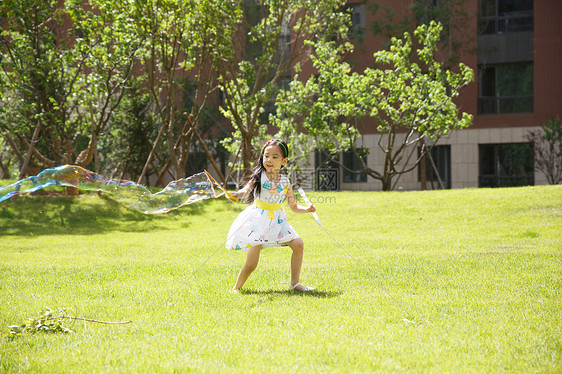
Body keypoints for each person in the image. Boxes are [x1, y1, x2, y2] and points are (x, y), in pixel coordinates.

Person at [225, 139, 316, 292]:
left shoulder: (286, 182)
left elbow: (293, 206)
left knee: (298, 244)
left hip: (277, 220)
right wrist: (234, 194)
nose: (269, 160)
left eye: (275, 157)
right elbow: (244, 191)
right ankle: (237, 287)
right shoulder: (258, 177)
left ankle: (295, 283)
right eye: (266, 156)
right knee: (252, 263)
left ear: (284, 161)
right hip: (258, 221)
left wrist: (306, 209)